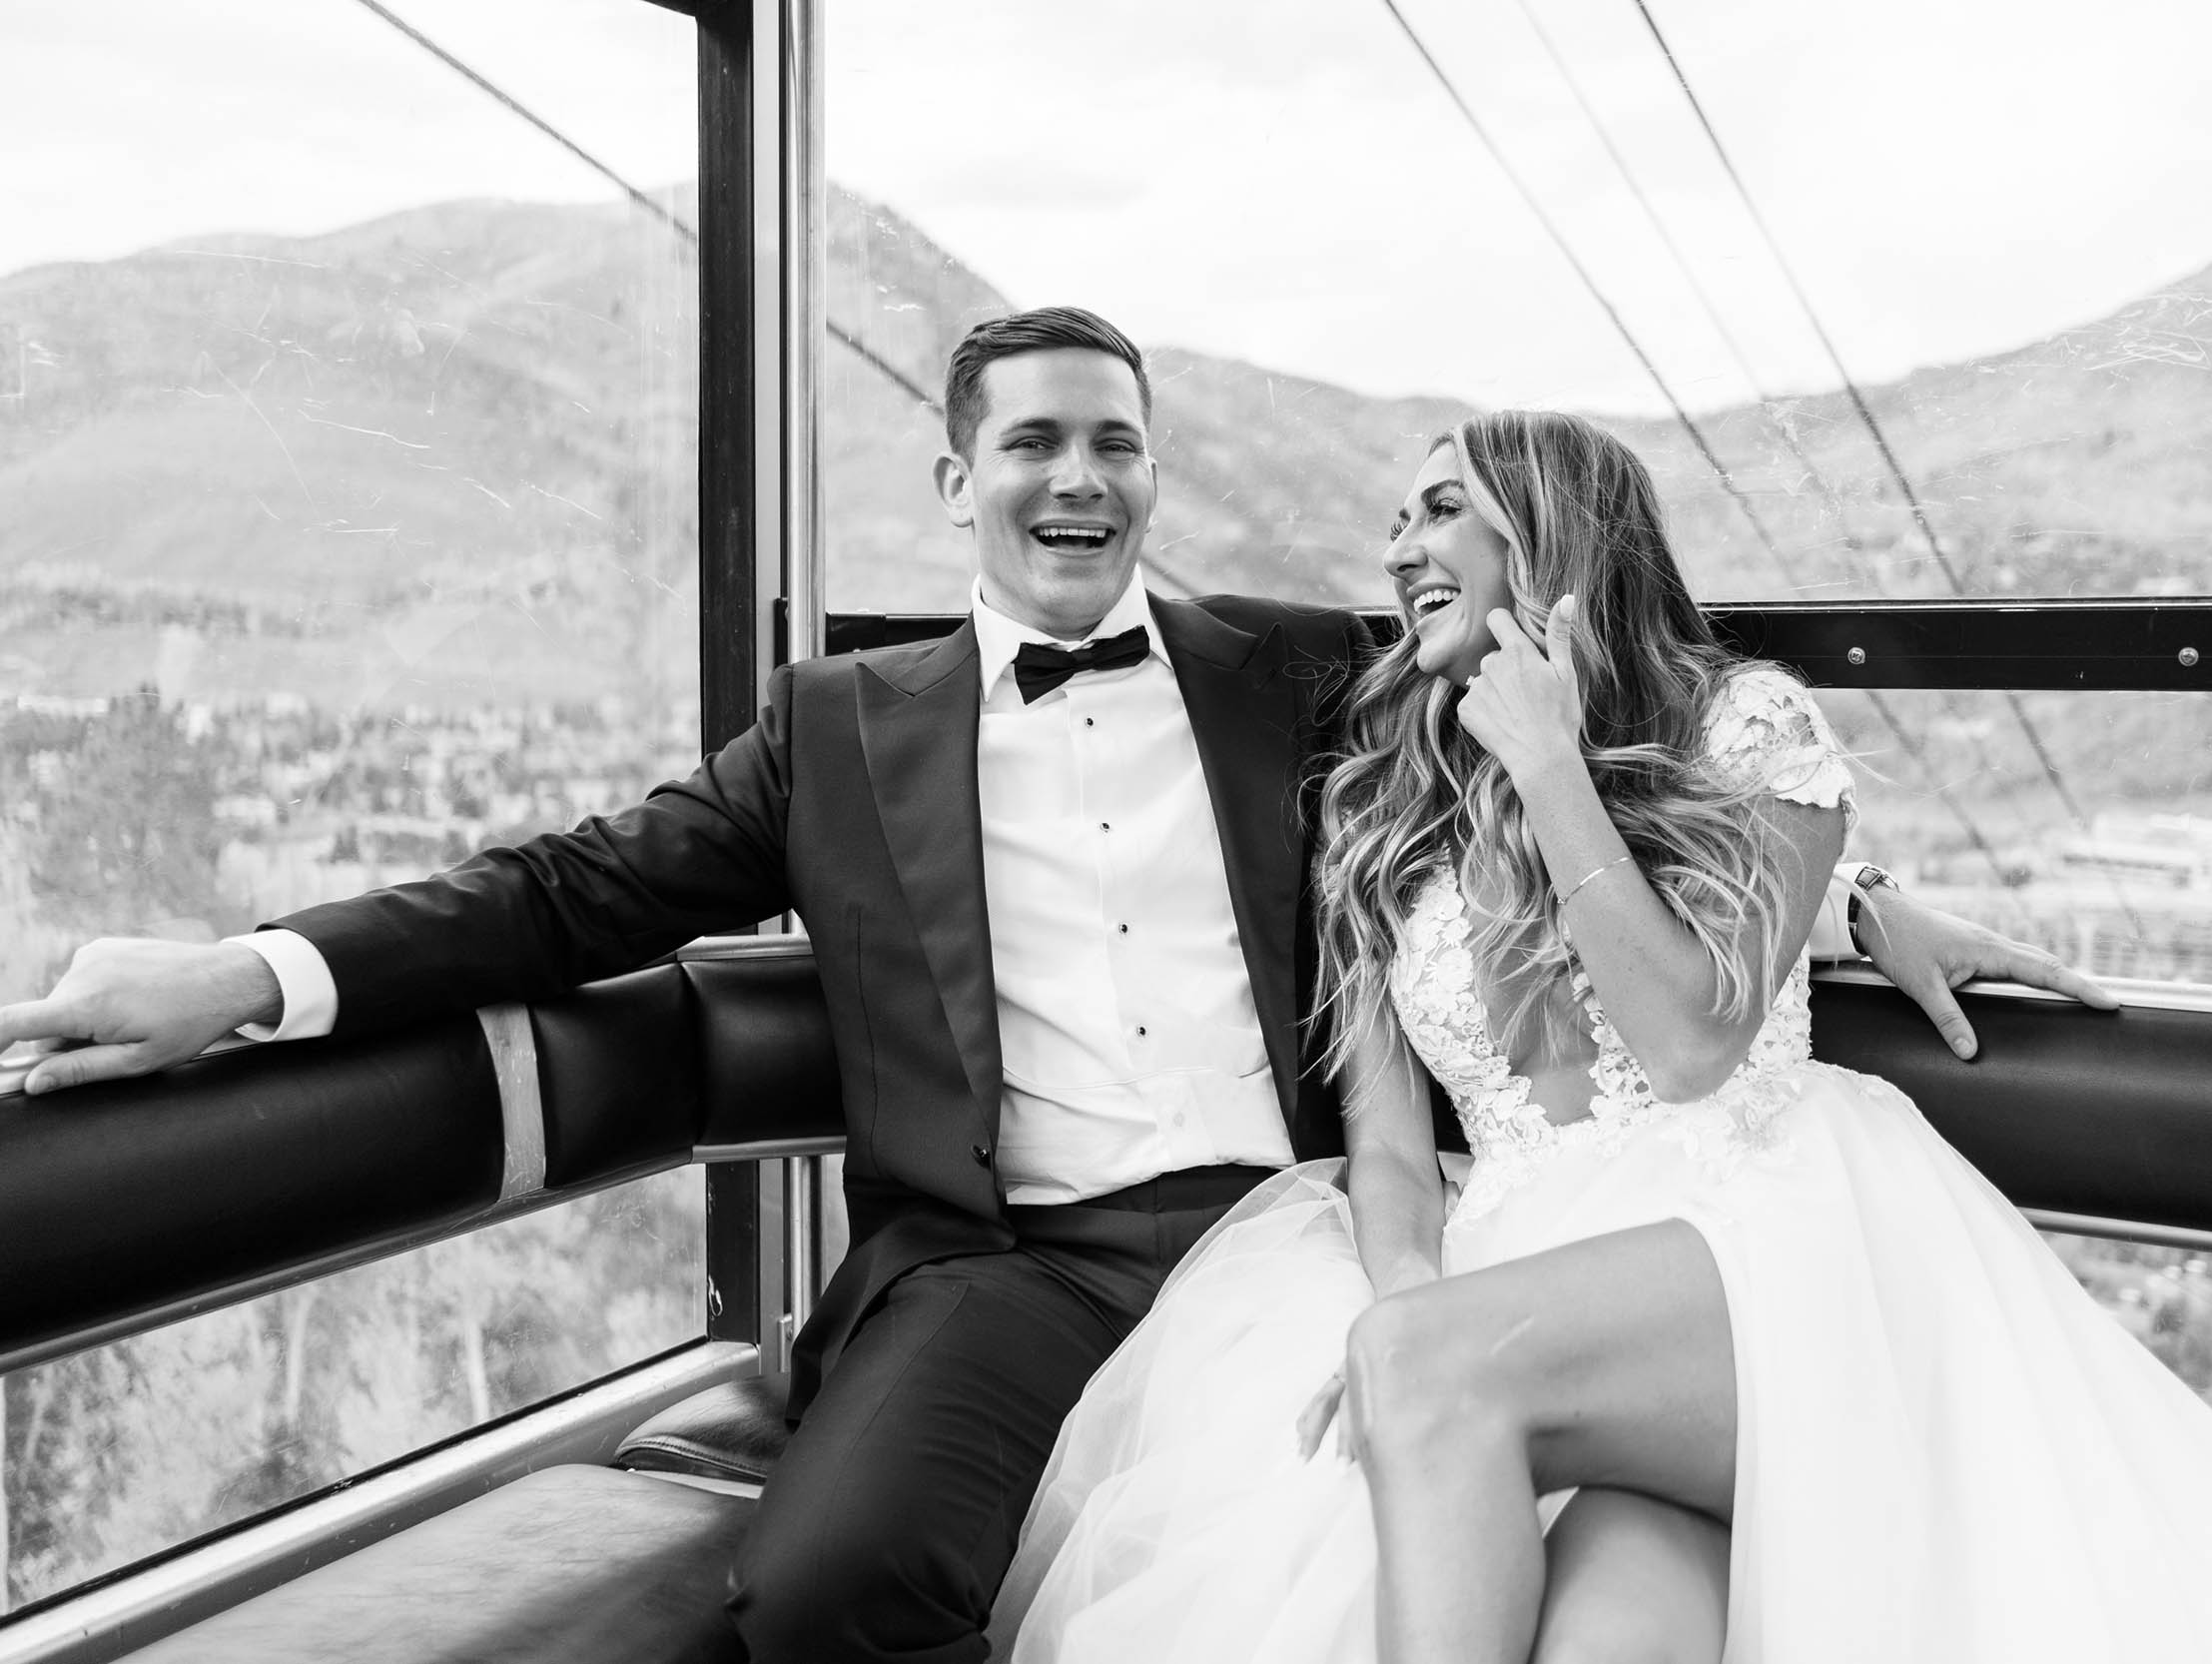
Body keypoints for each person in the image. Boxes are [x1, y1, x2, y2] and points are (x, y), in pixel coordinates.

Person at [0, 315, 2102, 1664]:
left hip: (1278, 1226)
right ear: (955, 482)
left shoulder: (1294, 666)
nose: (1077, 479)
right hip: (1012, 1256)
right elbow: (568, 892)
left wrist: (1851, 905)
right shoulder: (835, 723)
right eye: (1031, 446)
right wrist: (250, 972)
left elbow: (1605, 764)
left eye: (1113, 442)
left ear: (1151, 478)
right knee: (823, 1585)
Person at [994, 411, 2212, 1664]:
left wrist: (1555, 768)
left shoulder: (1749, 725)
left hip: (1758, 1249)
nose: (1397, 544)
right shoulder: (1377, 805)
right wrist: (1394, 1309)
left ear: (1552, 535)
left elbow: (1696, 1042)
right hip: (1513, 1291)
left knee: (1435, 1377)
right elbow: (1388, 1146)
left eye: (1442, 505)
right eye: (1393, 517)